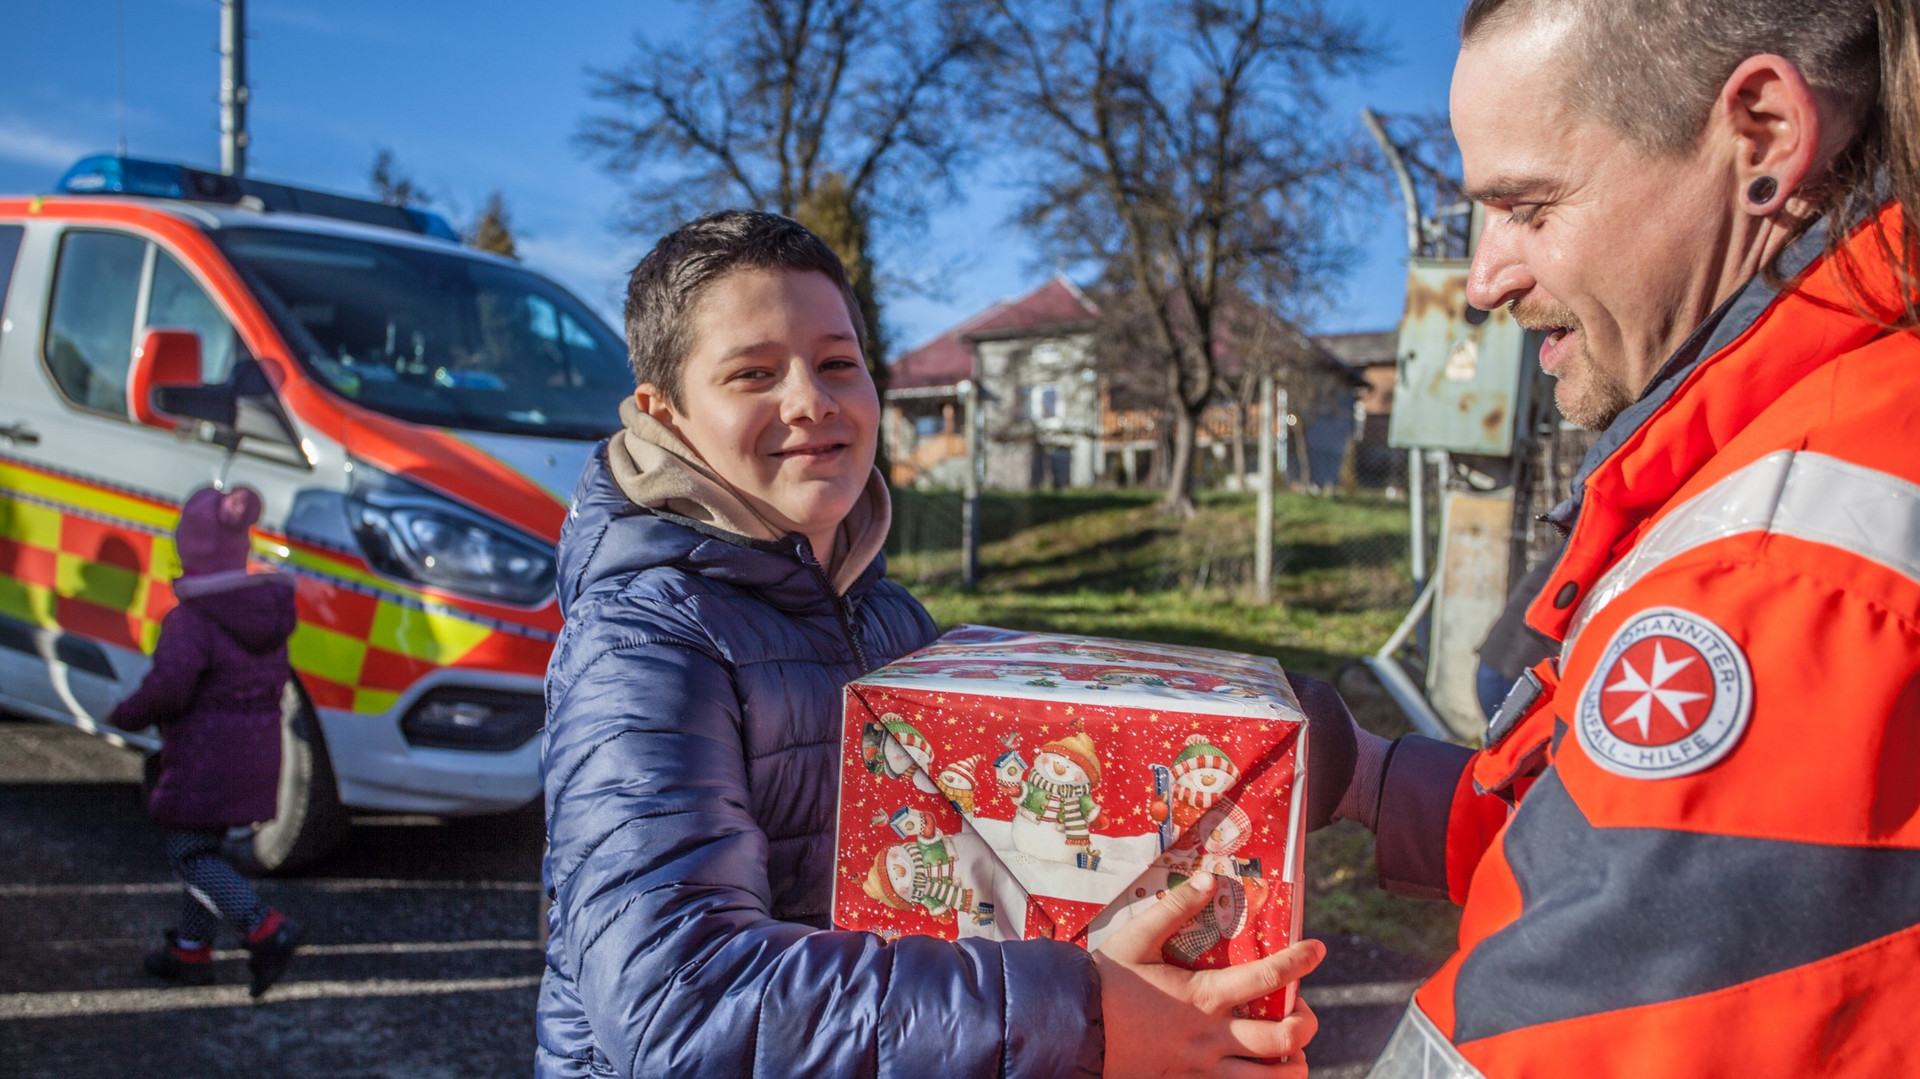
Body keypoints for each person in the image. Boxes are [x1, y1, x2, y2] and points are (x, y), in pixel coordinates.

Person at [537, 210, 1325, 1079]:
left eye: (838, 363)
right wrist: (1091, 1012)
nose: (811, 400)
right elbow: (678, 1000)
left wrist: (1177, 978)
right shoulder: (641, 644)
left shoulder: (892, 621)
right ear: (664, 414)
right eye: (752, 372)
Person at [1294, 1, 1920, 1075]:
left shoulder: (1775, 576)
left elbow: (1570, 1021)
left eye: (1529, 206)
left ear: (1763, 134)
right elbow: (1620, 853)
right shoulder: (1819, 437)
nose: (1486, 276)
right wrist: (1365, 775)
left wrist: (1129, 1036)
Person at [108, 484, 304, 998]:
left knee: (188, 855)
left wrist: (128, 713)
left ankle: (264, 927)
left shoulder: (191, 620)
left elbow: (170, 687)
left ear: (188, 550)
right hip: (257, 751)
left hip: (204, 754)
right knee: (205, 847)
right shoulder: (265, 615)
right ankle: (190, 951)